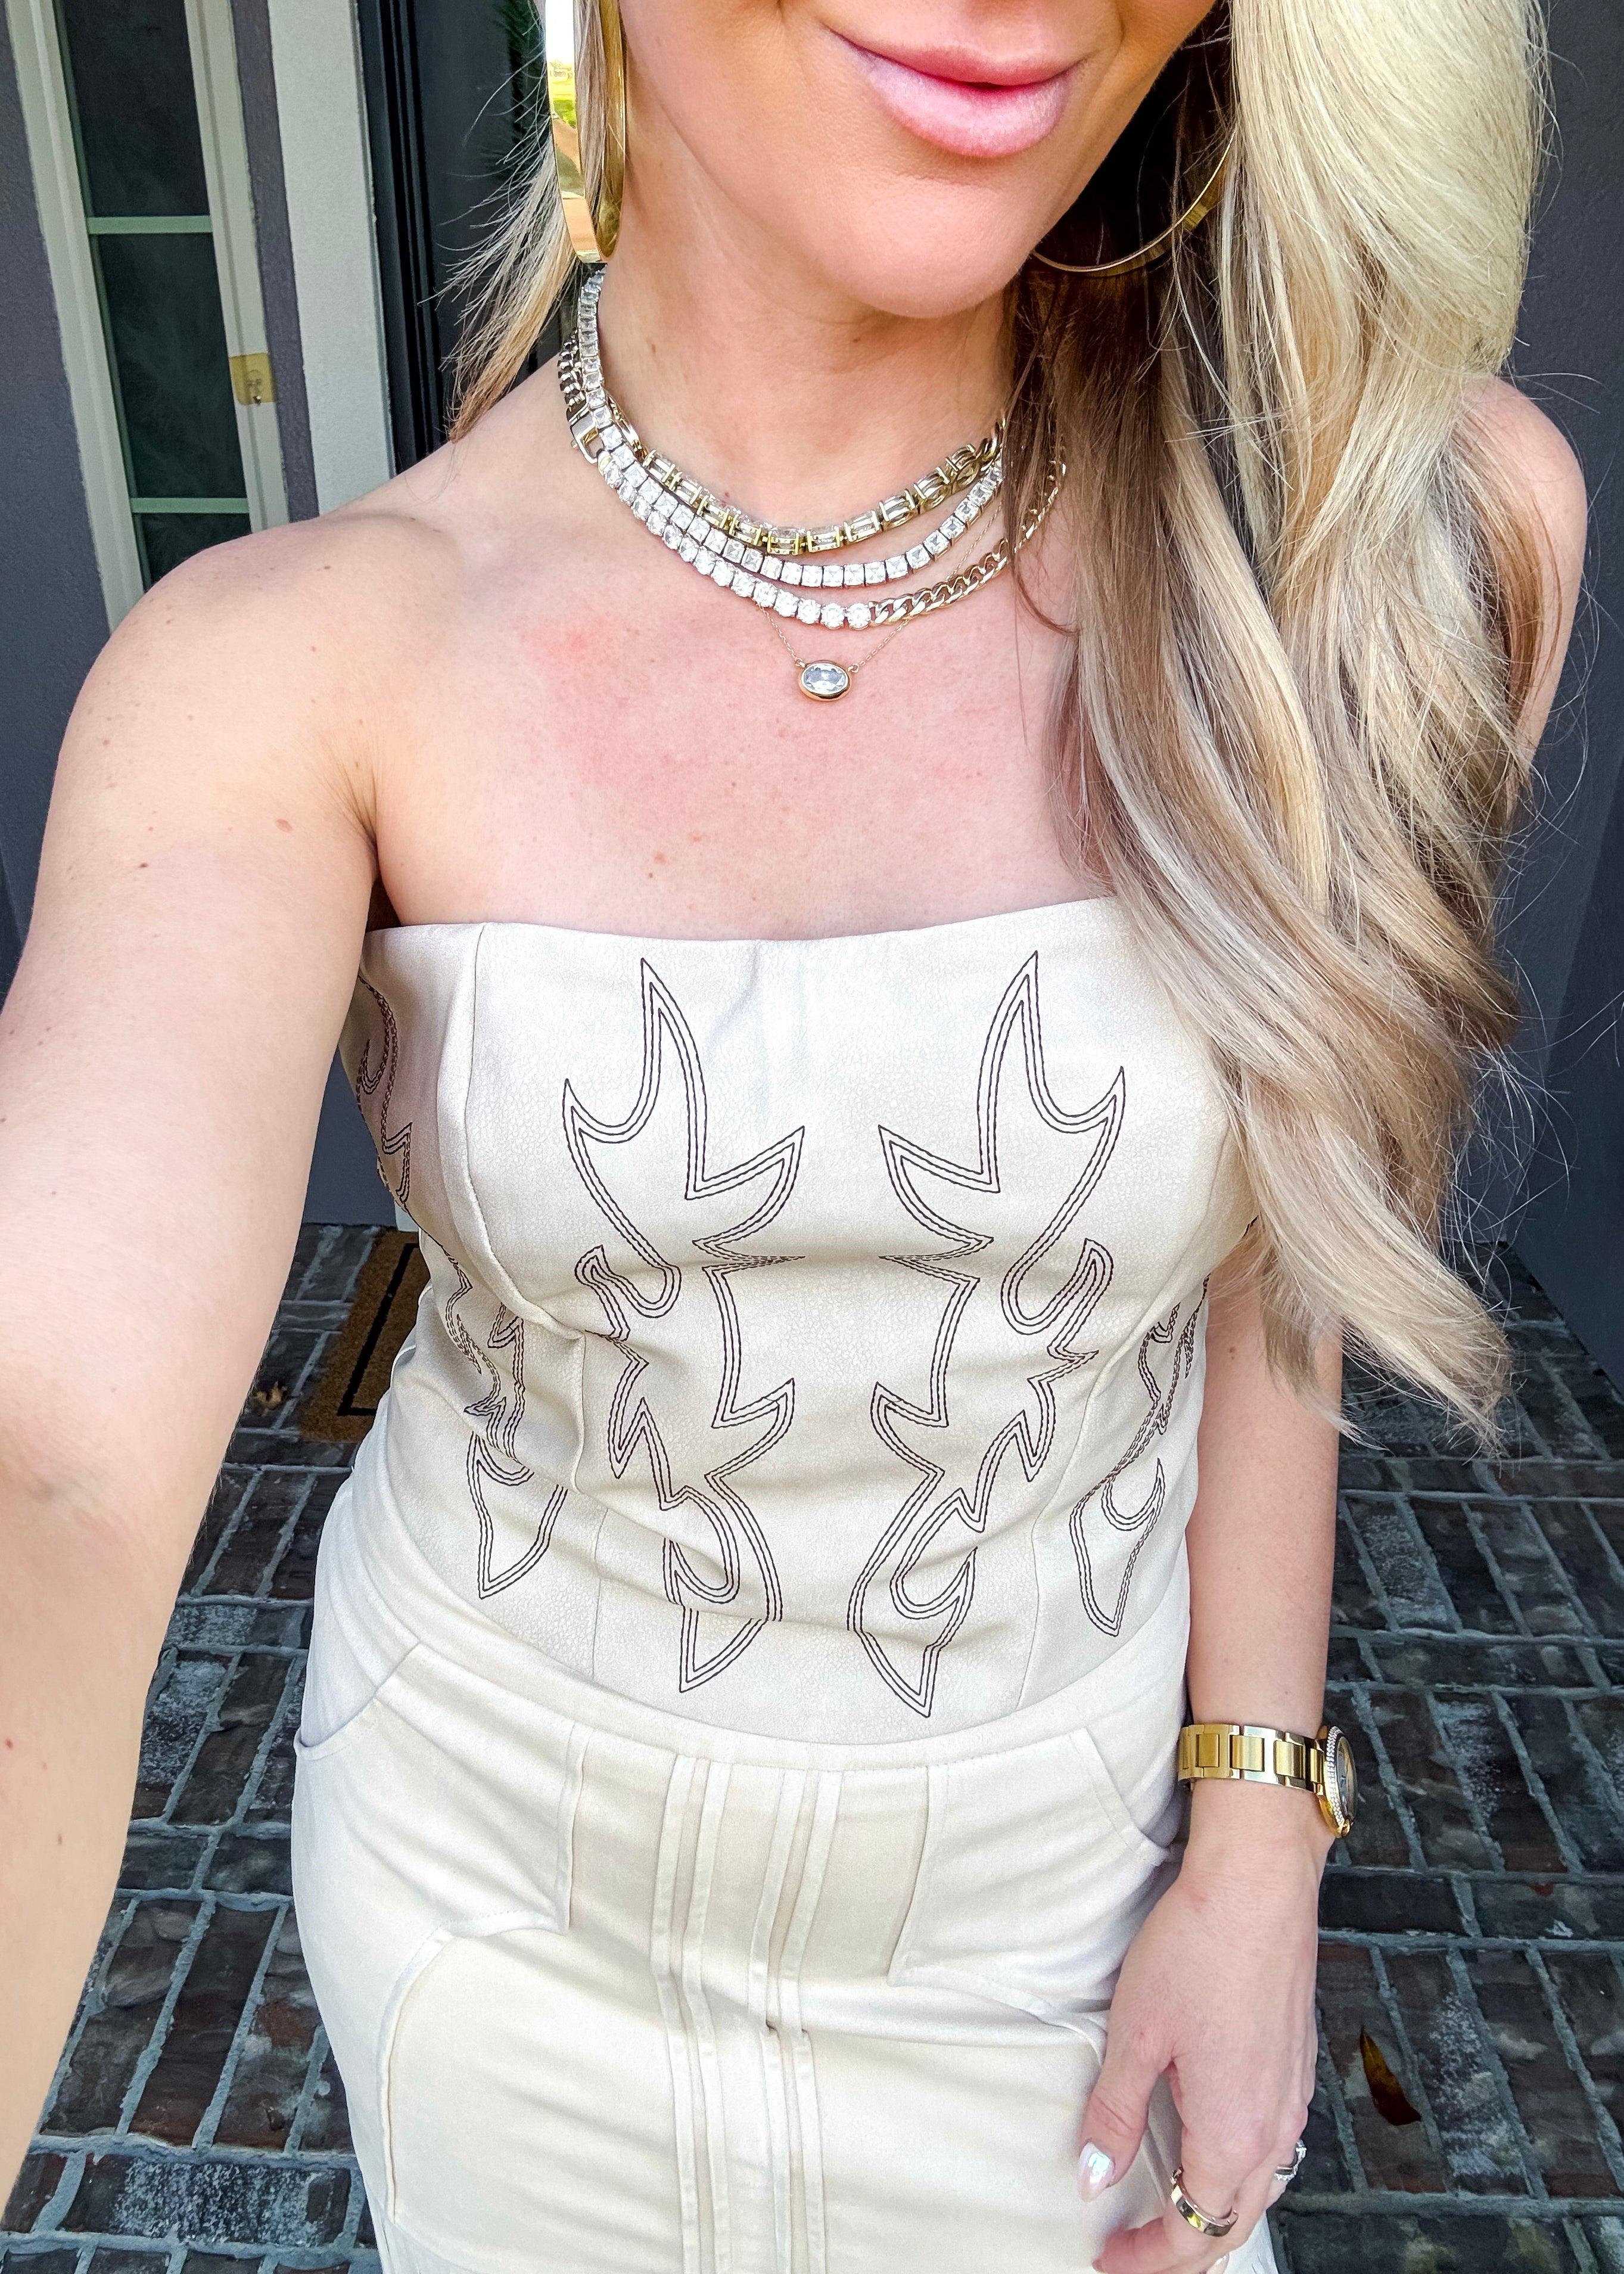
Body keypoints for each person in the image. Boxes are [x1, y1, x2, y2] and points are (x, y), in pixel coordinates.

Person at [0, 1, 1586, 2267]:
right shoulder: (291, 663)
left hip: (1061, 1925)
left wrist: (1257, 1847)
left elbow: (1291, 1279)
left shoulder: (1378, 554)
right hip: (493, 1923)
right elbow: (44, 1466)